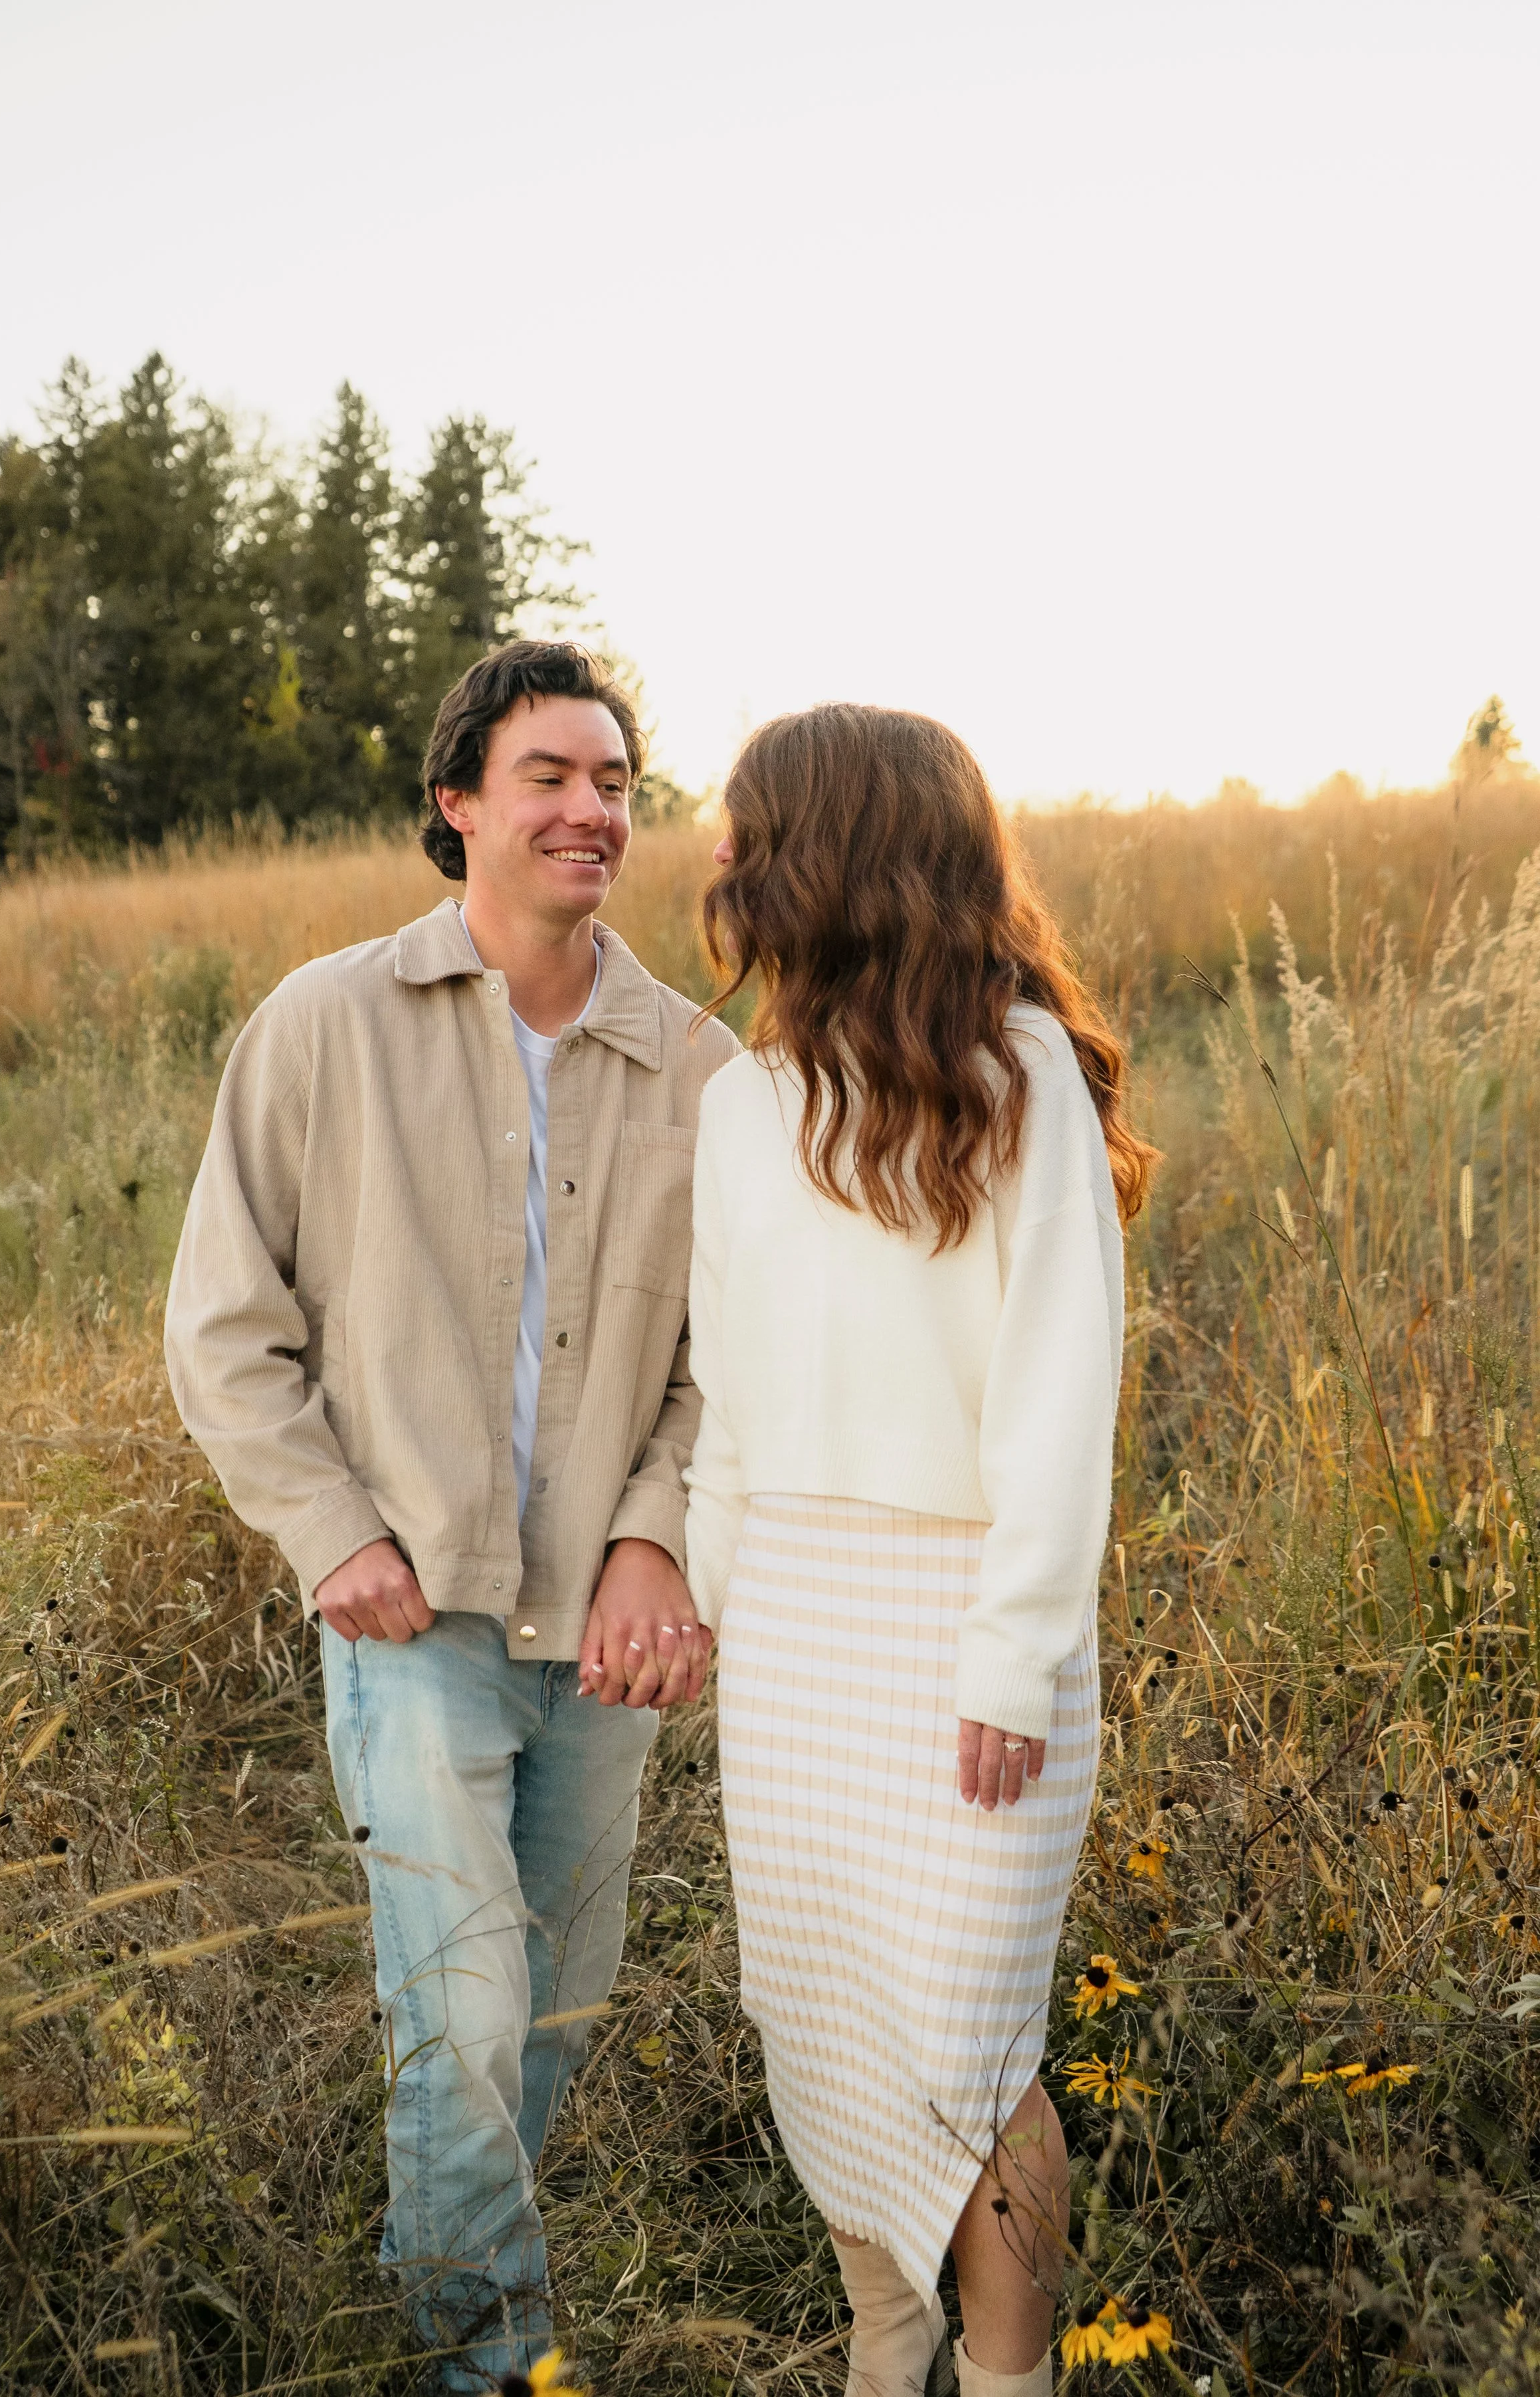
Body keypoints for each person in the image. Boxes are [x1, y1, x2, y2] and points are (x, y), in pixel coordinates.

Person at [165, 639, 737, 2389]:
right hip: (410, 1618)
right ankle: (487, 2357)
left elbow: (738, 1355)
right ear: (459, 802)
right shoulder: (323, 1022)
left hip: (608, 1634)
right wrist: (331, 1527)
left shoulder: (705, 1068)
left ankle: (450, 2255)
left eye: (617, 782)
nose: (591, 810)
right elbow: (220, 1319)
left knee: (550, 2005)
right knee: (466, 2002)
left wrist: (658, 1530)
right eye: (551, 775)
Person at [684, 705, 1153, 2397]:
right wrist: (707, 1609)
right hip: (798, 1637)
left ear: (835, 844)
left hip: (970, 1625)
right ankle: (889, 2342)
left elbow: (1056, 1401)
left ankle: (1011, 2379)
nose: (714, 862)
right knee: (819, 2024)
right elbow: (727, 1407)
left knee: (971, 2051)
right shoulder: (743, 1107)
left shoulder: (1016, 1073)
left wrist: (1013, 1655)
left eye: (744, 830)